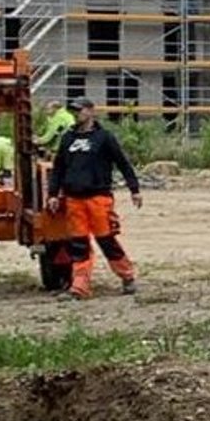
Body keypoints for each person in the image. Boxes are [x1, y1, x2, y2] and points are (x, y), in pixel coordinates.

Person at [49, 98, 142, 299]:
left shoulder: (104, 137)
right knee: (79, 244)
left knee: (106, 240)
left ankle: (127, 275)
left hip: (98, 198)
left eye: (79, 110)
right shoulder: (67, 138)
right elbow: (58, 169)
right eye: (73, 111)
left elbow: (123, 163)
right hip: (74, 200)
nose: (76, 114)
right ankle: (79, 287)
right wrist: (53, 194)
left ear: (91, 111)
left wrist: (134, 189)